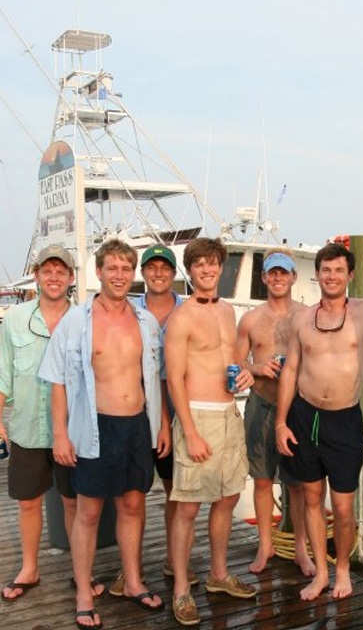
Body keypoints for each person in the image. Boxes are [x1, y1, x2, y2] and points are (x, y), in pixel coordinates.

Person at [39, 239, 170, 630]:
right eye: (112, 268)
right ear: (98, 272)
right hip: (94, 426)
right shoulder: (76, 321)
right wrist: (61, 436)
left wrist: (162, 423)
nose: (119, 275)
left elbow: (156, 379)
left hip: (137, 426)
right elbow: (57, 382)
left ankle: (132, 581)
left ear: (133, 274)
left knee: (132, 506)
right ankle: (83, 592)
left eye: (126, 269)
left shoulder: (145, 321)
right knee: (89, 512)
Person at [0, 245, 104, 601]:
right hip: (27, 428)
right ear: (37, 275)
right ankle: (29, 569)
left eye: (61, 271)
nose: (54, 277)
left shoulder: (86, 320)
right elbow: (3, 374)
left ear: (71, 277)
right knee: (27, 502)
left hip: (73, 432)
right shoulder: (14, 318)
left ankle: (81, 572)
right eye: (48, 270)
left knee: (74, 503)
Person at [165, 237, 256, 627]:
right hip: (197, 418)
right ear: (190, 270)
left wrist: (247, 371)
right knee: (187, 507)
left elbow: (231, 359)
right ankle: (180, 589)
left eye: (212, 262)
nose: (207, 269)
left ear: (221, 266)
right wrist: (189, 432)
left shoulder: (228, 310)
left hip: (229, 415)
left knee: (228, 497)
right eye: (199, 264)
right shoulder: (181, 317)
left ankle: (218, 574)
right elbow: (174, 379)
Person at [276, 242, 363, 601]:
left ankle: (342, 569)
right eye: (326, 270)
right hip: (305, 417)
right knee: (312, 497)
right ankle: (321, 573)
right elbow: (290, 370)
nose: (332, 276)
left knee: (344, 508)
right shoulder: (302, 319)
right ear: (317, 275)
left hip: (345, 419)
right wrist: (281, 423)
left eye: (339, 271)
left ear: (351, 275)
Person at [108, 244, 198, 597]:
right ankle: (132, 567)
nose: (158, 273)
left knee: (177, 490)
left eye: (164, 268)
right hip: (135, 414)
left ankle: (175, 560)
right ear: (142, 273)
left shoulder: (188, 310)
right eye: (151, 267)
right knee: (133, 495)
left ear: (174, 273)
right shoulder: (128, 310)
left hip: (180, 413)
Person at [236, 248, 315, 576]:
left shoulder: (307, 315)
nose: (278, 278)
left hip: (297, 407)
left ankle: (301, 549)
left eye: (284, 272)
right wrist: (257, 368)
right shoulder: (250, 319)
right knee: (262, 480)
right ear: (264, 277)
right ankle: (265, 544)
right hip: (261, 404)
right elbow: (237, 361)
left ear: (294, 277)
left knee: (296, 484)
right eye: (273, 273)